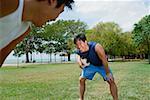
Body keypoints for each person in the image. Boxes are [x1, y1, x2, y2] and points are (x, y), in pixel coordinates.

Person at [0, 0, 74, 67]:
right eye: (60, 12)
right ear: (52, 1)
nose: (55, 19)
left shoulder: (24, 30)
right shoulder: (10, 3)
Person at [74, 34, 118, 100]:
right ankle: (81, 99)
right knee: (81, 79)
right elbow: (78, 55)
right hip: (91, 65)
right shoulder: (80, 49)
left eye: (80, 44)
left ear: (85, 42)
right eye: (77, 45)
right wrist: (80, 63)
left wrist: (108, 73)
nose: (79, 47)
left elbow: (104, 59)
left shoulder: (96, 47)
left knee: (111, 80)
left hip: (102, 65)